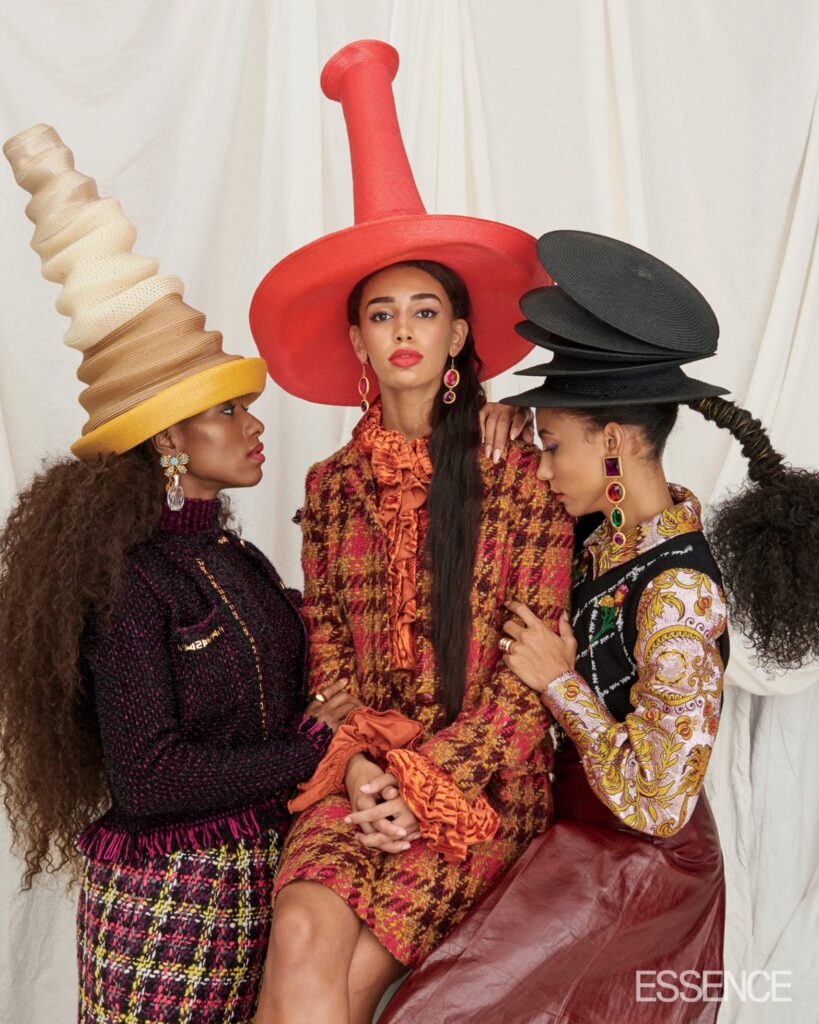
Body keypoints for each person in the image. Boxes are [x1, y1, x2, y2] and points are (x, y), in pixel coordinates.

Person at [380, 230, 819, 1023]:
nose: (544, 468)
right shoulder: (609, 528)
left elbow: (657, 804)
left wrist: (559, 683)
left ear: (613, 443)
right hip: (572, 836)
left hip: (642, 868)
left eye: (553, 447)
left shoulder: (680, 593)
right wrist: (506, 424)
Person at [0, 125, 360, 1024]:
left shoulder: (238, 561)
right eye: (227, 409)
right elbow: (151, 780)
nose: (253, 424)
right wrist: (311, 750)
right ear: (169, 434)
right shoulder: (127, 583)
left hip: (263, 888)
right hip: (169, 915)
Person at [248, 41, 574, 1024]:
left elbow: (529, 683)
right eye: (381, 312)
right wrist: (360, 773)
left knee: (346, 982)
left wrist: (425, 780)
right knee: (301, 930)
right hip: (364, 773)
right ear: (355, 336)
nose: (403, 330)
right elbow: (329, 663)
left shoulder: (519, 470)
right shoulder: (331, 486)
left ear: (458, 335)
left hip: (485, 785)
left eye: (425, 311)